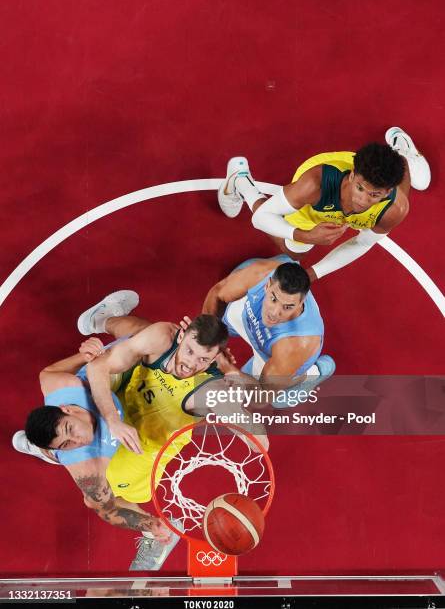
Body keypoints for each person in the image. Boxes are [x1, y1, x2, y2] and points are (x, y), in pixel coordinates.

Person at [14, 292, 266, 569]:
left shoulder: (209, 387)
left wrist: (233, 390)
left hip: (143, 442)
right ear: (182, 337)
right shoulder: (85, 461)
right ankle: (48, 448)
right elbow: (97, 366)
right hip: (120, 406)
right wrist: (112, 419)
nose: (191, 364)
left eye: (203, 359)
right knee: (135, 341)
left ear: (215, 357)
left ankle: (101, 319)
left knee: (103, 495)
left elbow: (260, 444)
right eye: (190, 352)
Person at [217, 127, 431, 282]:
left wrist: (313, 273)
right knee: (294, 251)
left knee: (409, 184)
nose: (362, 200)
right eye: (360, 188)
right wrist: (305, 235)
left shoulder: (394, 208)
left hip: (373, 191)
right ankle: (240, 180)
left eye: (374, 195)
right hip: (317, 202)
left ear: (387, 192)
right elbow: (261, 218)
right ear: (353, 175)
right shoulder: (314, 184)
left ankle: (402, 152)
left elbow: (362, 243)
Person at [203, 256, 334, 399]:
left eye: (287, 307)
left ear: (301, 302)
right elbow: (217, 294)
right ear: (267, 285)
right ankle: (287, 259)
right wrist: (207, 340)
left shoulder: (296, 344)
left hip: (272, 353)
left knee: (270, 398)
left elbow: (263, 395)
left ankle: (316, 371)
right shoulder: (261, 273)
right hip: (251, 318)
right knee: (222, 306)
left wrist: (229, 369)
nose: (274, 313)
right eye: (273, 299)